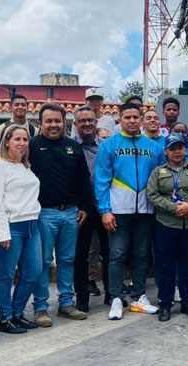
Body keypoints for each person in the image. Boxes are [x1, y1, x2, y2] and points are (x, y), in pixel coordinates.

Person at [95, 103, 163, 320]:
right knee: (116, 255)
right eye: (128, 117)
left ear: (141, 119)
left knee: (141, 255)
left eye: (136, 117)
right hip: (118, 210)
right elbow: (101, 180)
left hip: (146, 210)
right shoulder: (109, 145)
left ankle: (138, 297)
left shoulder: (153, 147)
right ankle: (116, 298)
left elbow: (162, 176)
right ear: (120, 119)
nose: (132, 121)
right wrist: (105, 210)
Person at [29, 103, 92, 327]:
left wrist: (84, 206)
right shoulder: (32, 146)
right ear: (40, 123)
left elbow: (83, 179)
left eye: (58, 121)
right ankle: (41, 308)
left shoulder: (73, 147)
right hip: (44, 213)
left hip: (71, 213)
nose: (54, 125)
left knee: (67, 260)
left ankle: (66, 304)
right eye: (49, 121)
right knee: (44, 262)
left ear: (64, 122)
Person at [147, 134, 188, 321]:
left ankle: (187, 301)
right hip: (167, 224)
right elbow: (152, 195)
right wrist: (173, 208)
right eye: (173, 148)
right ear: (166, 151)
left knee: (187, 265)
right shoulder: (158, 172)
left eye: (180, 148)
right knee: (165, 266)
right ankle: (165, 304)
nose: (177, 152)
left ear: (185, 150)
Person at [0, 125, 42, 334]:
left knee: (33, 271)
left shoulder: (25, 166)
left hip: (32, 225)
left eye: (25, 139)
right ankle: (5, 318)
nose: (22, 143)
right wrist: (2, 234)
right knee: (5, 275)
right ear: (6, 141)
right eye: (17, 139)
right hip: (11, 226)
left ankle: (17, 312)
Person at [71, 106, 110, 311]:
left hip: (105, 207)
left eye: (91, 120)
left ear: (96, 124)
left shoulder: (106, 146)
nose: (87, 124)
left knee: (110, 252)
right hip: (81, 209)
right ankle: (82, 296)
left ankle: (112, 294)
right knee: (80, 254)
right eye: (82, 121)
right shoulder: (69, 147)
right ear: (76, 124)